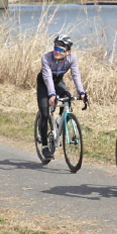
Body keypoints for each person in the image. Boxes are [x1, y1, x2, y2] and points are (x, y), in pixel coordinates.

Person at [36, 33, 88, 161]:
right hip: (44, 83)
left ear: (68, 52)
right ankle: (44, 146)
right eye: (56, 48)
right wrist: (52, 95)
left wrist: (81, 92)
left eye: (61, 50)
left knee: (68, 98)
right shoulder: (46, 58)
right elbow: (47, 78)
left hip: (58, 81)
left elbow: (76, 75)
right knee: (44, 113)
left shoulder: (72, 59)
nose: (57, 52)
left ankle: (60, 120)